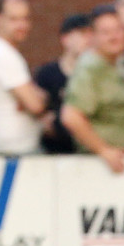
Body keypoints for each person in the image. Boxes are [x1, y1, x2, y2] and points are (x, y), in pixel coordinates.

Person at [61, 4, 124, 173]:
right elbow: (71, 116)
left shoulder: (121, 65)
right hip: (101, 169)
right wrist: (104, 151)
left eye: (118, 30)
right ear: (93, 36)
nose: (114, 37)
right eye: (106, 32)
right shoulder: (90, 67)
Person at [0, 0, 49, 156]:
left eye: (25, 18)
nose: (21, 25)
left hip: (10, 150)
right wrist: (39, 96)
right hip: (12, 153)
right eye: (13, 19)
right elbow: (35, 105)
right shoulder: (2, 53)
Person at [34, 13, 92, 155]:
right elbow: (38, 115)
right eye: (82, 34)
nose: (88, 40)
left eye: (92, 34)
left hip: (88, 152)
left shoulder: (95, 76)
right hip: (52, 154)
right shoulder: (46, 74)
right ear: (65, 39)